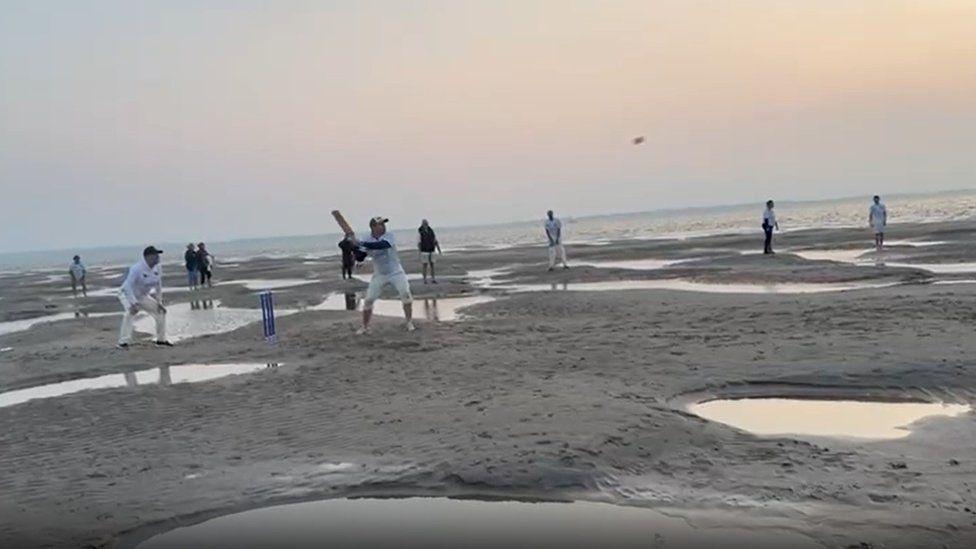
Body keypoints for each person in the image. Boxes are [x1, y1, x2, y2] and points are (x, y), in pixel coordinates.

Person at [350, 216, 414, 334]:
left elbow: (383, 245)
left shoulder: (389, 236)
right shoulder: (367, 238)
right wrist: (354, 246)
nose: (384, 226)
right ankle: (365, 326)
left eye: (384, 224)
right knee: (369, 299)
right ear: (373, 227)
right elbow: (361, 256)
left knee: (405, 294)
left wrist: (361, 243)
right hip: (379, 274)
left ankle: (409, 322)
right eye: (380, 224)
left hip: (396, 272)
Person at [117, 246, 172, 348]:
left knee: (161, 311)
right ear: (148, 257)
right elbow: (128, 286)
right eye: (156, 255)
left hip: (142, 296)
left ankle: (161, 340)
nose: (158, 257)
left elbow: (158, 286)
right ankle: (123, 342)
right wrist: (133, 303)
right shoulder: (136, 269)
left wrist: (159, 302)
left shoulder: (158, 268)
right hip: (126, 293)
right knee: (130, 313)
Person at [417, 219, 442, 284]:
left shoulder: (431, 231)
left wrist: (439, 249)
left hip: (431, 249)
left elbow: (435, 240)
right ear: (422, 224)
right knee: (425, 265)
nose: (426, 224)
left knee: (432, 265)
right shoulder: (420, 232)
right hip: (424, 250)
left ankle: (433, 279)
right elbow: (419, 242)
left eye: (426, 223)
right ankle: (424, 279)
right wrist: (419, 252)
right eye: (424, 223)